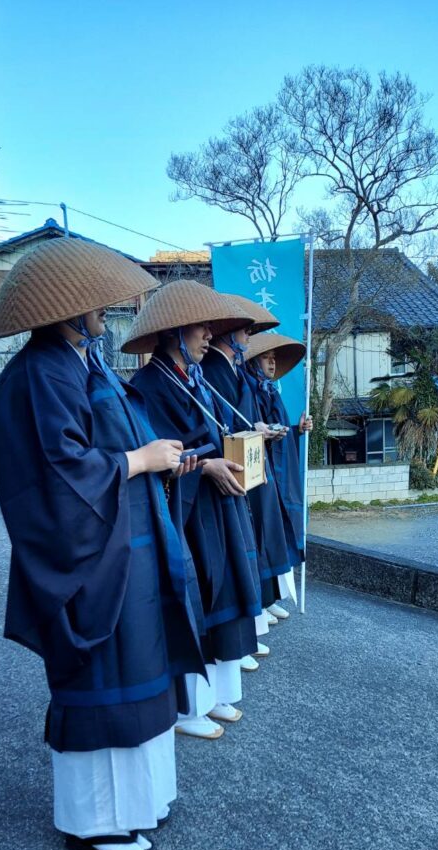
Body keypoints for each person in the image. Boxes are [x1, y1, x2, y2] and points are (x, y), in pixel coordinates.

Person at [0, 237, 205, 850]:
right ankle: (94, 822)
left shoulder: (85, 363)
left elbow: (114, 447)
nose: (106, 311)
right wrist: (138, 460)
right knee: (104, 674)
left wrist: (163, 460)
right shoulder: (40, 372)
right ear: (67, 309)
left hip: (125, 548)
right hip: (90, 558)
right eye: (97, 304)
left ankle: (141, 801)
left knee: (139, 666)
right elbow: (59, 475)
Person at [124, 280, 263, 738]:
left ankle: (217, 693)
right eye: (201, 327)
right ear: (173, 332)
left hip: (215, 504)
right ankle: (189, 708)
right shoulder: (147, 385)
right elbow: (158, 453)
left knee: (224, 590)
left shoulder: (196, 381)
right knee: (196, 594)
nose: (209, 335)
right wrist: (204, 466)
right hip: (184, 508)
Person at [201, 297, 294, 654]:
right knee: (238, 549)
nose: (248, 339)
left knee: (256, 539)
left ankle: (257, 613)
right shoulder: (212, 370)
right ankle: (238, 638)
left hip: (247, 463)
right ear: (228, 333)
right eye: (245, 331)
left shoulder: (230, 370)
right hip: (225, 469)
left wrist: (261, 430)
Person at [244, 333, 313, 616]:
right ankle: (262, 600)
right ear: (253, 361)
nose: (272, 363)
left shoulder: (270, 390)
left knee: (277, 534)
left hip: (277, 471)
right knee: (263, 534)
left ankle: (271, 598)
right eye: (266, 357)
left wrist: (297, 430)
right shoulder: (249, 390)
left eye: (274, 358)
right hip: (261, 471)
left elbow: (279, 429)